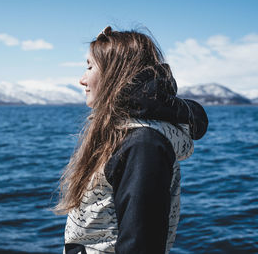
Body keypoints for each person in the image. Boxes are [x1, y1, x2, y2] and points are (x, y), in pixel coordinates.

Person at [55, 26, 208, 254]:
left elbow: (141, 246)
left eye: (90, 67)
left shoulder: (142, 145)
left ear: (115, 73)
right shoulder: (118, 133)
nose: (82, 79)